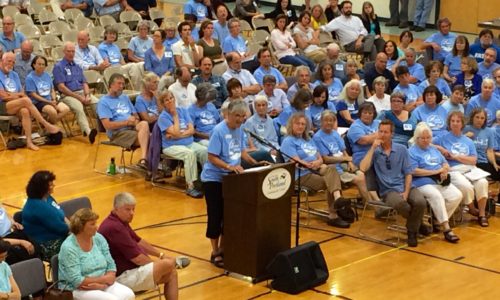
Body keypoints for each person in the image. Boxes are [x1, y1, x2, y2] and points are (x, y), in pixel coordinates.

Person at [201, 100, 264, 268]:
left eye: (243, 116)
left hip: (232, 179)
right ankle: (215, 252)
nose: (240, 119)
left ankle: (223, 248)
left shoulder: (241, 129)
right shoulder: (219, 131)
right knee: (216, 216)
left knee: (229, 217)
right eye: (237, 116)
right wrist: (229, 166)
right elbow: (212, 157)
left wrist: (254, 162)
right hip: (214, 180)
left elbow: (241, 151)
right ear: (228, 114)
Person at [99, 192, 183, 300]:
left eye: (133, 209)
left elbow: (138, 241)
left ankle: (173, 264)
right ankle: (175, 263)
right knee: (167, 265)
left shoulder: (119, 221)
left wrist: (161, 255)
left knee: (171, 273)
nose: (132, 213)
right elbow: (138, 259)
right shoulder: (115, 227)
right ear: (116, 209)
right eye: (128, 209)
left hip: (131, 271)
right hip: (121, 277)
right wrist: (159, 264)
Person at [360, 120, 427, 247]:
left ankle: (414, 226)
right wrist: (373, 148)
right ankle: (414, 230)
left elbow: (408, 173)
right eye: (380, 131)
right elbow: (363, 168)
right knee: (403, 205)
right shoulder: (374, 151)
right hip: (388, 191)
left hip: (406, 186)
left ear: (392, 134)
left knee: (420, 202)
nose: (382, 135)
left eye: (386, 132)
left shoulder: (401, 149)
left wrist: (406, 192)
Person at [281, 112, 350, 227]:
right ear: (291, 125)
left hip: (316, 169)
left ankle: (338, 201)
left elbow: (320, 158)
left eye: (303, 124)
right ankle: (334, 214)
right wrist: (310, 164)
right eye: (297, 123)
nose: (300, 126)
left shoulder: (308, 139)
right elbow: (295, 161)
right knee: (332, 180)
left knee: (332, 170)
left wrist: (317, 162)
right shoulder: (288, 141)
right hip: (301, 175)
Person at [58, 208, 135, 300]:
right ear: (81, 227)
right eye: (92, 224)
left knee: (129, 295)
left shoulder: (98, 238)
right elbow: (77, 280)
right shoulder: (69, 247)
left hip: (102, 282)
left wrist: (106, 279)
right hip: (78, 289)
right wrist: (103, 281)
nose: (97, 227)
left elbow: (111, 264)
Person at [434, 111, 490, 226]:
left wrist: (456, 157)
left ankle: (482, 214)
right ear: (449, 123)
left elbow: (473, 160)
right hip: (453, 169)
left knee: (483, 182)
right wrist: (440, 148)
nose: (455, 123)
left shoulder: (468, 141)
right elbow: (424, 143)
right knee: (466, 186)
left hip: (470, 168)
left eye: (458, 121)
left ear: (462, 124)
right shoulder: (442, 138)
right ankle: (472, 208)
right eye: (452, 121)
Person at [409, 123, 462, 243]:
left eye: (428, 138)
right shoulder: (412, 151)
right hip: (421, 182)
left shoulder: (433, 149)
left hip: (439, 180)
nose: (426, 140)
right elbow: (413, 171)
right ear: (416, 138)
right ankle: (447, 229)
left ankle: (437, 221)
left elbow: (445, 163)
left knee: (457, 195)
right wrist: (435, 171)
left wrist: (444, 170)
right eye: (423, 138)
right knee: (436, 196)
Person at [0, 53, 61, 150]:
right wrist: (17, 96)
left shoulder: (14, 74)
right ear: (2, 60)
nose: (11, 64)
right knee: (25, 100)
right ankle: (46, 124)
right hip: (2, 106)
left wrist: (12, 95)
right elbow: (3, 96)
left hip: (16, 103)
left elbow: (22, 92)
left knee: (25, 111)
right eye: (9, 61)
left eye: (13, 62)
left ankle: (29, 142)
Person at [157, 89, 207, 198]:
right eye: (166, 100)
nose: (170, 101)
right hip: (171, 146)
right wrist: (175, 116)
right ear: (163, 104)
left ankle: (206, 180)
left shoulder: (183, 110)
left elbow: (192, 130)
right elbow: (175, 132)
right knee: (189, 154)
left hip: (188, 142)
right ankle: (190, 187)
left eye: (171, 98)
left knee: (204, 151)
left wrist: (179, 134)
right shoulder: (163, 117)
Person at [313, 110, 371, 201]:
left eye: (331, 120)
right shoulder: (317, 137)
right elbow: (326, 159)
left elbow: (344, 151)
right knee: (360, 178)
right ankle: (370, 203)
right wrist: (345, 159)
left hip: (343, 164)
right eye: (326, 120)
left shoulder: (335, 133)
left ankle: (367, 200)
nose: (329, 123)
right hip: (333, 169)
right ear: (321, 122)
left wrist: (350, 163)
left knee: (361, 173)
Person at [97, 73, 150, 169]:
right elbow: (107, 126)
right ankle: (149, 163)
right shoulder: (103, 102)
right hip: (118, 133)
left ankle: (145, 161)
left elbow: (136, 115)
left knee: (145, 124)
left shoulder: (125, 97)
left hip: (132, 128)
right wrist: (127, 122)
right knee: (151, 139)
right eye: (119, 84)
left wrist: (135, 122)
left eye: (123, 84)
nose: (122, 86)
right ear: (111, 85)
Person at [54, 42, 99, 143]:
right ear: (64, 52)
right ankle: (88, 132)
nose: (71, 53)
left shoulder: (77, 66)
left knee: (98, 103)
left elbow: (85, 83)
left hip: (82, 93)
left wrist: (87, 95)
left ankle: (105, 126)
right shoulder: (59, 67)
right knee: (78, 107)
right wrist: (79, 98)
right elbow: (61, 87)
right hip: (67, 95)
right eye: (68, 51)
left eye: (73, 51)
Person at [22, 171, 69, 261]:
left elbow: (61, 213)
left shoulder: (47, 197)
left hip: (60, 234)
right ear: (42, 188)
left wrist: (71, 226)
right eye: (51, 185)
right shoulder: (39, 207)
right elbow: (62, 229)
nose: (54, 186)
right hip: (46, 244)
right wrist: (75, 230)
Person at [26, 55, 70, 125]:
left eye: (43, 64)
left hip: (50, 100)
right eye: (39, 64)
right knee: (52, 112)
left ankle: (48, 125)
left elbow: (52, 89)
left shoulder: (47, 75)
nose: (41, 66)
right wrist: (49, 102)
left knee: (66, 109)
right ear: (34, 65)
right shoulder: (29, 78)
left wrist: (53, 99)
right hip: (39, 102)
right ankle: (52, 128)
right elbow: (33, 95)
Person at [464, 108, 499, 181]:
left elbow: (489, 150)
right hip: (471, 162)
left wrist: (494, 163)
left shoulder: (489, 131)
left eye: (482, 118)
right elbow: (458, 144)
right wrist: (465, 136)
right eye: (477, 117)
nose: (479, 120)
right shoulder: (465, 129)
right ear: (472, 117)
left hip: (483, 161)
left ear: (485, 120)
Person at [347, 102, 380, 167]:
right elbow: (365, 141)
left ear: (374, 114)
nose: (367, 115)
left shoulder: (378, 122)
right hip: (362, 156)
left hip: (379, 153)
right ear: (360, 114)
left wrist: (373, 136)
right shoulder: (355, 126)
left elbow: (389, 135)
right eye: (364, 113)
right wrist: (380, 135)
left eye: (370, 113)